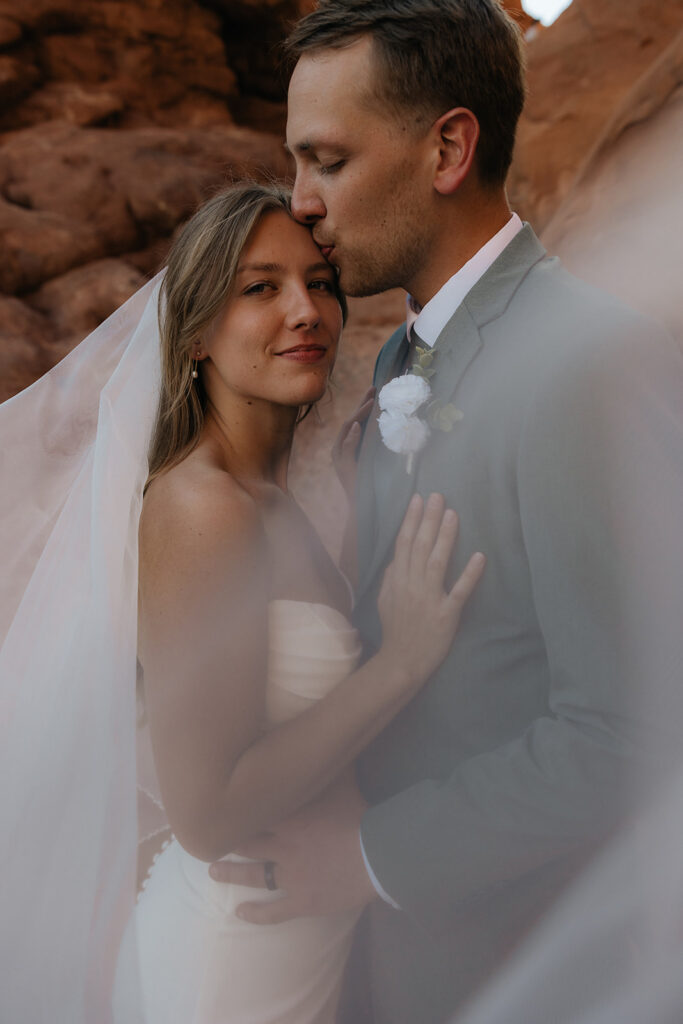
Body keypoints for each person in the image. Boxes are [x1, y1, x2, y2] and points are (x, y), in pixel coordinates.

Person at [207, 3, 683, 1022]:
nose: (301, 201)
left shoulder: (584, 364)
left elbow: (631, 728)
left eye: (326, 160)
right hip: (387, 963)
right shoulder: (397, 356)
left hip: (519, 970)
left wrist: (374, 853)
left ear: (447, 149)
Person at [0, 181, 485, 1024]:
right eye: (260, 288)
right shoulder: (203, 509)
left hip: (289, 942)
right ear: (193, 335)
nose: (306, 311)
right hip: (234, 966)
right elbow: (208, 813)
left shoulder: (266, 497)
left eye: (320, 284)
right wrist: (401, 664)